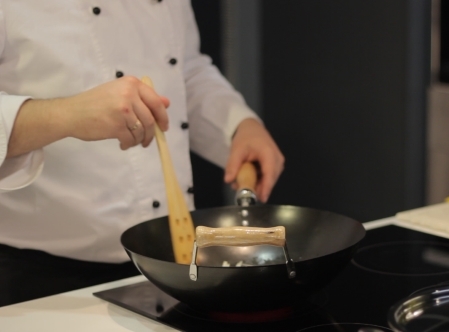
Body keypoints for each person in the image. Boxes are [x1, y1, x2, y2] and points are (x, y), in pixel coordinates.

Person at [0, 1, 284, 306]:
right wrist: (66, 114)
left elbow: (185, 69)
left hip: (166, 266)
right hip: (37, 280)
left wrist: (238, 124)